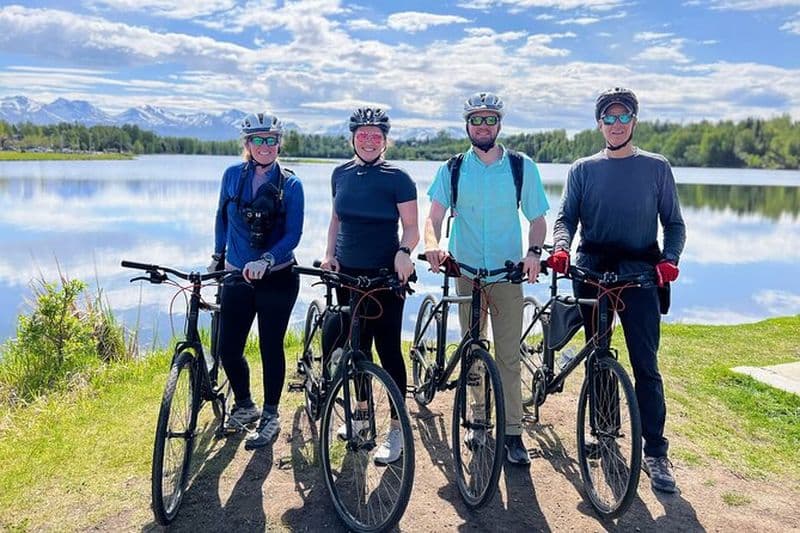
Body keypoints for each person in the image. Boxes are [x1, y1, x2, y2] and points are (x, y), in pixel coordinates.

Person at [549, 87, 686, 493]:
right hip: (591, 272)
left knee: (646, 366)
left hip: (642, 276)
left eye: (622, 116)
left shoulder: (656, 168)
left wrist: (670, 259)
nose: (615, 124)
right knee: (598, 356)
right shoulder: (582, 169)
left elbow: (674, 224)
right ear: (599, 123)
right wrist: (560, 248)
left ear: (634, 121)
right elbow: (565, 218)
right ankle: (603, 431)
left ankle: (656, 453)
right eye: (608, 118)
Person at [424, 92, 549, 465]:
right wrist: (433, 246)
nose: (482, 126)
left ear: (499, 125)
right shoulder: (453, 168)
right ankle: (478, 421)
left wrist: (534, 253)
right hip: (466, 275)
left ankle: (513, 433)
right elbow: (432, 218)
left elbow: (538, 219)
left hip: (507, 276)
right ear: (467, 125)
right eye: (476, 120)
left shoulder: (520, 167)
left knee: (509, 356)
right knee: (473, 352)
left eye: (489, 120)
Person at [320, 107, 419, 464]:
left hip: (385, 277)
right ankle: (362, 417)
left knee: (389, 349)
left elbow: (411, 227)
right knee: (355, 348)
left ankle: (397, 429)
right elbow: (335, 220)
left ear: (385, 140)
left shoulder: (398, 177)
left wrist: (405, 252)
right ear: (353, 138)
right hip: (347, 275)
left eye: (375, 135)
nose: (368, 140)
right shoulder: (340, 174)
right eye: (362, 134)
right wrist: (329, 255)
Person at [210, 111, 304, 448]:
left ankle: (270, 414)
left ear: (279, 143)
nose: (265, 146)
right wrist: (217, 256)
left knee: (269, 346)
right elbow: (221, 218)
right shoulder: (232, 176)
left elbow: (293, 235)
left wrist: (267, 259)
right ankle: (245, 404)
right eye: (258, 140)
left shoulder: (291, 184)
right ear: (248, 144)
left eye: (271, 140)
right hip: (236, 274)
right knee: (228, 348)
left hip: (278, 277)